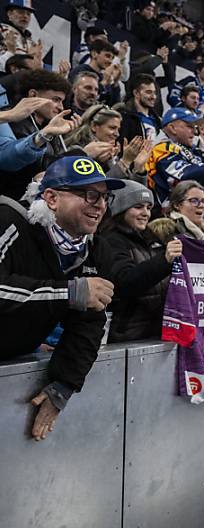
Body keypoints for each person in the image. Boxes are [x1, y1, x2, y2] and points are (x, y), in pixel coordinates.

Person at [0, 156, 123, 440]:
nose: (100, 204)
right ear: (51, 198)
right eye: (89, 194)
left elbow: (89, 322)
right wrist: (69, 292)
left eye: (105, 196)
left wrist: (63, 386)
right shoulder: (8, 220)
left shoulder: (90, 249)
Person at [99, 179, 180, 343]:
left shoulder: (148, 239)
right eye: (138, 207)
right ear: (121, 210)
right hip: (126, 337)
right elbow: (125, 282)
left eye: (149, 207)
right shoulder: (111, 240)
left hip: (150, 333)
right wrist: (164, 260)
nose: (146, 213)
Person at [0, 70, 81, 200]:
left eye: (62, 101)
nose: (60, 107)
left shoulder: (52, 125)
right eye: (55, 99)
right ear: (33, 95)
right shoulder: (11, 123)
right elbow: (9, 158)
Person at [0, 0, 42, 70]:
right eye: (20, 12)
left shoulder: (32, 42)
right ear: (9, 14)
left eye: (28, 14)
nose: (25, 16)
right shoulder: (1, 30)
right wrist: (11, 52)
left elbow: (37, 69)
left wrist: (37, 59)